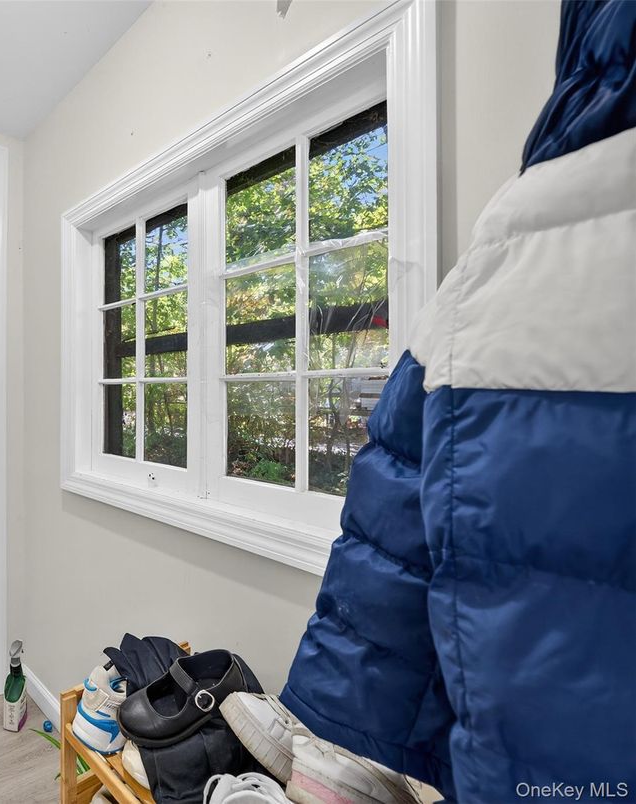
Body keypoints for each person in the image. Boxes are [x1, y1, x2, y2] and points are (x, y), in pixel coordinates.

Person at [276, 1, 635, 801]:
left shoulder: (519, 253)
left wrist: (341, 726)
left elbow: (391, 513)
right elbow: (396, 510)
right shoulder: (525, 249)